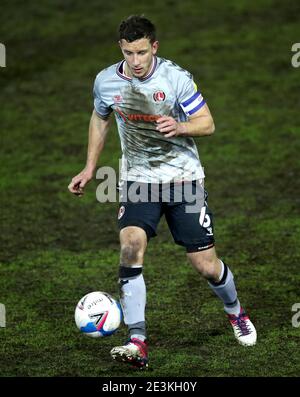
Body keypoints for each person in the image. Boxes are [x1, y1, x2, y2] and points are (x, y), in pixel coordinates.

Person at [68, 15, 257, 369]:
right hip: (138, 180)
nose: (135, 61)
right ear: (120, 49)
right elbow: (100, 117)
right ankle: (137, 339)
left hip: (183, 180)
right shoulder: (107, 81)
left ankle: (235, 311)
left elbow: (208, 123)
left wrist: (180, 125)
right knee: (130, 246)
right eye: (128, 53)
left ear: (154, 47)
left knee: (205, 265)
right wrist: (90, 168)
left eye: (141, 52)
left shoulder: (175, 79)